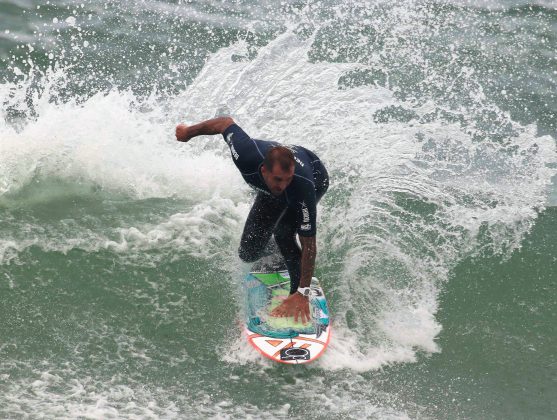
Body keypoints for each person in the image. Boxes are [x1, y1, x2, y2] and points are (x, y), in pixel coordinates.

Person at [175, 117, 329, 322]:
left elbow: (309, 244)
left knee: (284, 233)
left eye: (287, 180)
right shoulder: (247, 154)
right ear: (264, 171)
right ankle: (280, 256)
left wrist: (303, 293)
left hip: (315, 178)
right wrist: (188, 133)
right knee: (248, 253)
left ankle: (295, 295)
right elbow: (224, 123)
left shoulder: (299, 187)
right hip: (270, 185)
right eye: (278, 180)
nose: (283, 186)